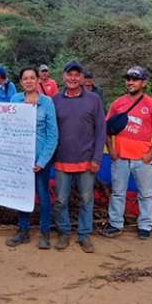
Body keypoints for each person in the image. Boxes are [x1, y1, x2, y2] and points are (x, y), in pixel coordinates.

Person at [100, 66, 152, 239]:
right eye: (128, 78)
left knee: (145, 193)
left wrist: (150, 153)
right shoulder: (118, 103)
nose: (130, 82)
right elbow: (106, 127)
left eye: (135, 79)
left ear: (143, 83)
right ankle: (115, 224)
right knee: (118, 192)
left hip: (142, 159)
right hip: (120, 157)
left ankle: (145, 225)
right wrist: (111, 149)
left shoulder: (151, 105)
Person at [52, 61, 106, 253]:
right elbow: (49, 130)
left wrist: (97, 158)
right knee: (60, 200)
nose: (73, 78)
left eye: (77, 75)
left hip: (86, 160)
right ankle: (64, 233)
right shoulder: (55, 100)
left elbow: (101, 130)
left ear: (82, 78)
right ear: (63, 77)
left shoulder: (94, 100)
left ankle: (84, 235)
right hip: (61, 159)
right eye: (69, 74)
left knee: (86, 199)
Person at [6, 67, 58, 249]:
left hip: (40, 160)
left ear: (38, 80)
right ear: (20, 82)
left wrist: (42, 161)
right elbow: (9, 127)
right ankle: (23, 231)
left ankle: (45, 234)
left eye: (32, 78)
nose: (29, 81)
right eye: (25, 78)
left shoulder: (47, 102)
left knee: (43, 196)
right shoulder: (15, 100)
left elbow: (53, 135)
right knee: (22, 195)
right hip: (21, 159)